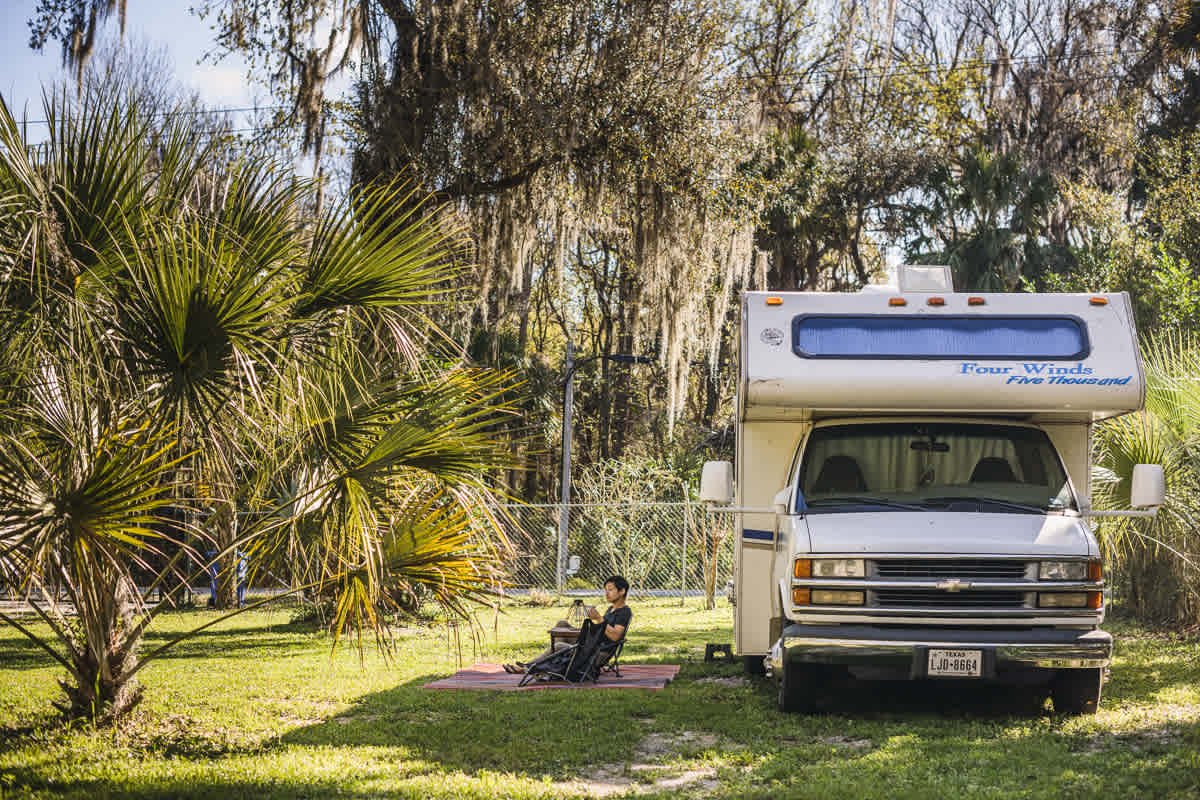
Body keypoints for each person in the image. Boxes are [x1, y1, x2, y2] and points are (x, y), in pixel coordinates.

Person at [503, 575, 631, 674]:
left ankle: (528, 667)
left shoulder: (624, 612)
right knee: (562, 624)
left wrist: (598, 618)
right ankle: (558, 666)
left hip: (597, 653)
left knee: (558, 645)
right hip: (591, 644)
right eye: (605, 590)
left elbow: (615, 637)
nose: (606, 593)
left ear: (622, 591)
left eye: (611, 590)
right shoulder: (611, 609)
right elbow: (602, 630)